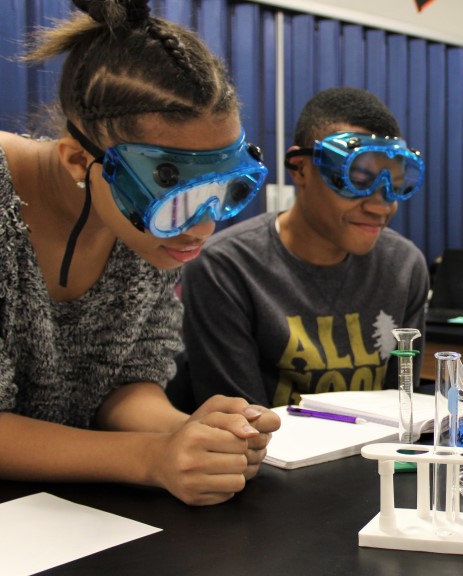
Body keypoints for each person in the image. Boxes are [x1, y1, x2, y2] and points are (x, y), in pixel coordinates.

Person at [0, 0, 281, 506]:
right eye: (178, 201)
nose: (203, 228)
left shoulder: (143, 228)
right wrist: (149, 459)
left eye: (225, 193)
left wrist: (195, 434)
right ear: (76, 159)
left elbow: (125, 382)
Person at [181, 86, 430, 409]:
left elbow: (402, 409)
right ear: (301, 167)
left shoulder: (404, 266)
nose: (381, 206)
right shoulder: (226, 268)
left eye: (395, 184)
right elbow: (238, 429)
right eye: (357, 178)